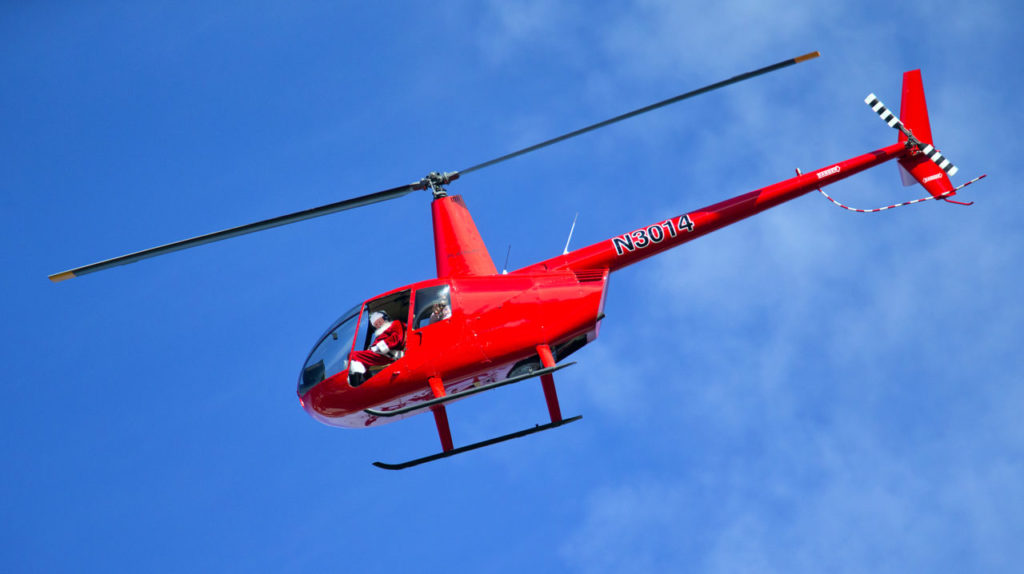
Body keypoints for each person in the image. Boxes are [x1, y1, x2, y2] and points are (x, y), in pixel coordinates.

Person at [348, 311, 405, 387]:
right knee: (358, 359)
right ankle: (365, 380)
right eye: (376, 324)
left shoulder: (395, 324)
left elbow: (397, 338)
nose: (379, 324)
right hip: (381, 356)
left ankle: (359, 381)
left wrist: (378, 347)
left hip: (390, 355)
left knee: (354, 355)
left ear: (385, 318)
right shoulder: (379, 336)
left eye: (379, 320)